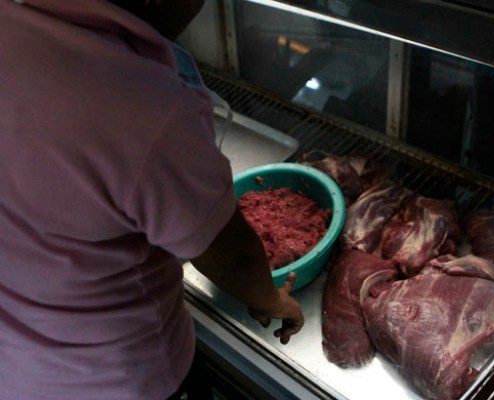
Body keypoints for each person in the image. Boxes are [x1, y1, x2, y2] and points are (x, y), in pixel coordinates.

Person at [0, 1, 304, 399]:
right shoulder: (142, 105)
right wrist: (272, 299)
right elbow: (233, 256)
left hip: (18, 370)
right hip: (125, 377)